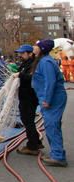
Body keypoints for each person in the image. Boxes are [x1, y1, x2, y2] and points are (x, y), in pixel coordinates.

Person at [31, 39, 68, 167]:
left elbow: (50, 82)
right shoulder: (42, 61)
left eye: (35, 46)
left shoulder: (46, 62)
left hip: (53, 99)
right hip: (48, 98)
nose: (33, 47)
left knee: (52, 126)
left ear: (41, 49)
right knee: (51, 126)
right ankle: (56, 153)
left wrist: (47, 99)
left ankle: (58, 156)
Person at [12, 44, 43, 155]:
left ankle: (32, 146)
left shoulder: (34, 64)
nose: (20, 55)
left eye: (22, 53)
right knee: (27, 120)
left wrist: (20, 75)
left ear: (30, 53)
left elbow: (32, 78)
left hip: (29, 97)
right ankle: (36, 142)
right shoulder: (26, 63)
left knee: (28, 120)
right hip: (25, 96)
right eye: (19, 53)